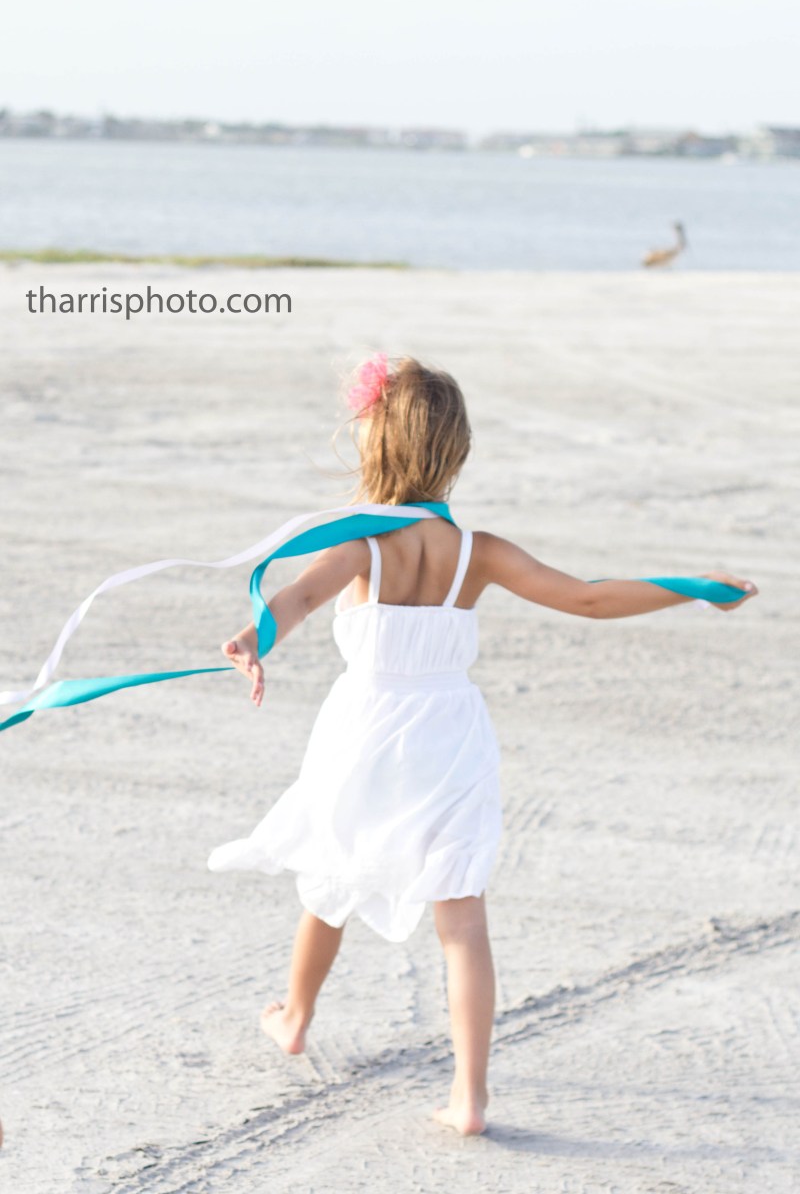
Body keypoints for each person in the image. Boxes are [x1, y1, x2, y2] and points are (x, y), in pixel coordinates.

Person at [208, 355, 758, 1137]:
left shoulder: (363, 547)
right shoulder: (480, 552)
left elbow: (294, 598)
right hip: (449, 736)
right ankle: (469, 1097)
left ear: (375, 444)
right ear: (455, 451)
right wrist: (694, 589)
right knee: (461, 915)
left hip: (364, 730)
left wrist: (253, 640)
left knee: (330, 873)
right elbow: (588, 598)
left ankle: (295, 1017)